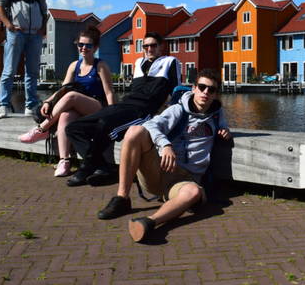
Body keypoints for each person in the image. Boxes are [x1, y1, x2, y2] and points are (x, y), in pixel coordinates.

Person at [96, 69, 232, 243]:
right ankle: (122, 198)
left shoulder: (217, 114)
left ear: (215, 95)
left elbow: (224, 127)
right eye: (202, 87)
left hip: (185, 180)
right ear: (194, 88)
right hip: (160, 169)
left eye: (211, 90)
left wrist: (225, 132)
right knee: (135, 131)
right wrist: (165, 145)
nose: (206, 92)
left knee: (193, 191)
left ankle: (149, 222)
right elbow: (151, 124)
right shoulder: (178, 110)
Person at [65, 32, 180, 187]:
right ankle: (102, 166)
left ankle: (86, 168)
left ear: (161, 47)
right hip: (124, 105)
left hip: (142, 112)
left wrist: (174, 115)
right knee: (73, 128)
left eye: (153, 45)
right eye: (145, 46)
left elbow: (177, 91)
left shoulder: (169, 62)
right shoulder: (139, 62)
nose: (149, 49)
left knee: (105, 125)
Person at [18, 26, 115, 177]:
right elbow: (62, 90)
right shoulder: (73, 66)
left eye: (88, 45)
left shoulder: (100, 66)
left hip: (97, 107)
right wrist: (48, 102)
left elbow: (109, 92)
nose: (83, 48)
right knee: (65, 116)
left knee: (72, 96)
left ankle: (41, 129)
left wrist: (112, 115)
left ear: (95, 47)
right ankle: (64, 161)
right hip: (78, 108)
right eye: (80, 45)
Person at [0, 0, 47, 119]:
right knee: (9, 70)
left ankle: (30, 106)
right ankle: (3, 105)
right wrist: (9, 25)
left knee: (32, 72)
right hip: (16, 32)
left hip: (35, 35)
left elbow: (44, 9)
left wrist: (43, 28)